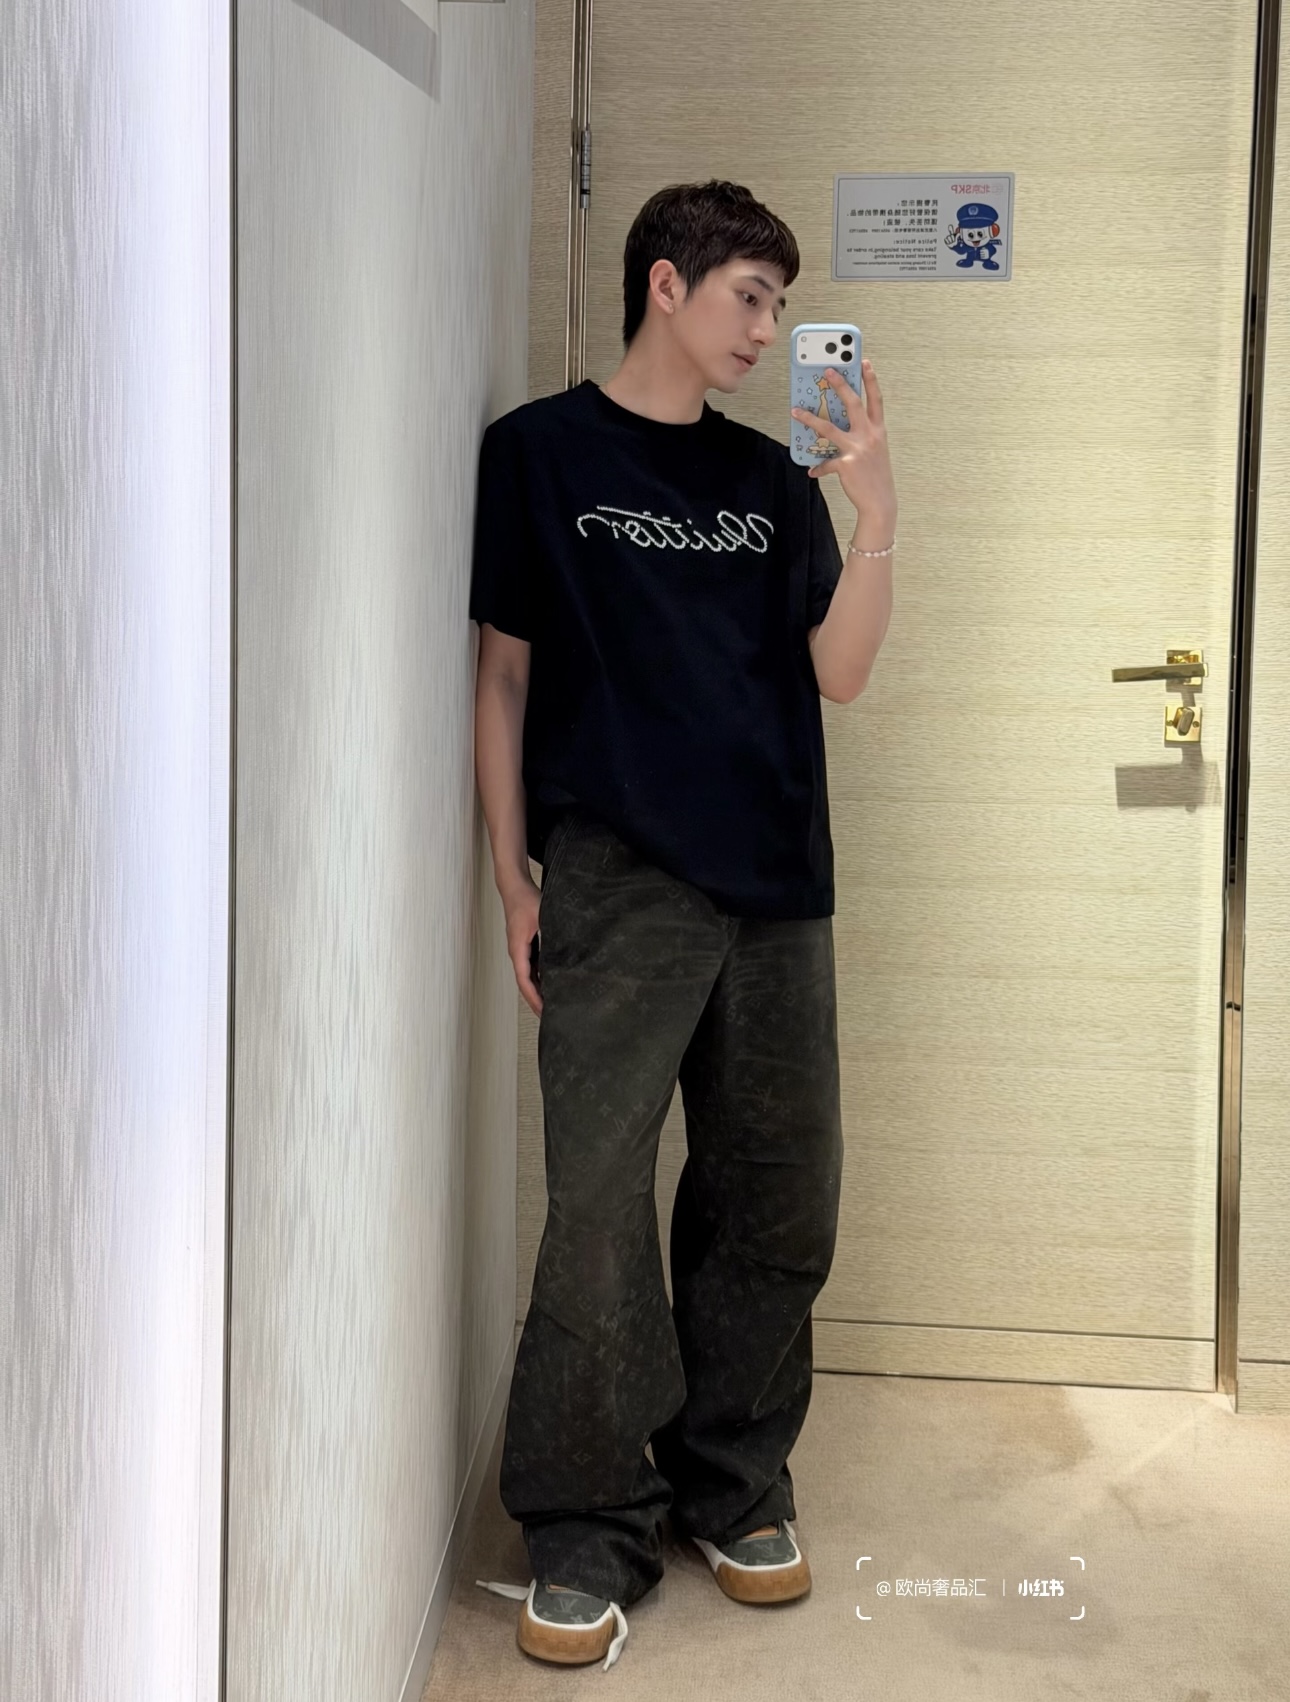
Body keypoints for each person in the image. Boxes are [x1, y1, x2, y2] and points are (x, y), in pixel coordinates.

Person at [469, 179, 898, 1671]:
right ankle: (588, 1521)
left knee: (777, 1195)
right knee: (598, 1206)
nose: (767, 332)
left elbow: (839, 674)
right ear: (666, 283)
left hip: (776, 882)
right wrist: (513, 877)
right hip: (615, 875)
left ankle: (733, 1483)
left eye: (781, 306)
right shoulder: (539, 454)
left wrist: (876, 511)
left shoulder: (774, 482)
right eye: (748, 298)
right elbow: (503, 677)